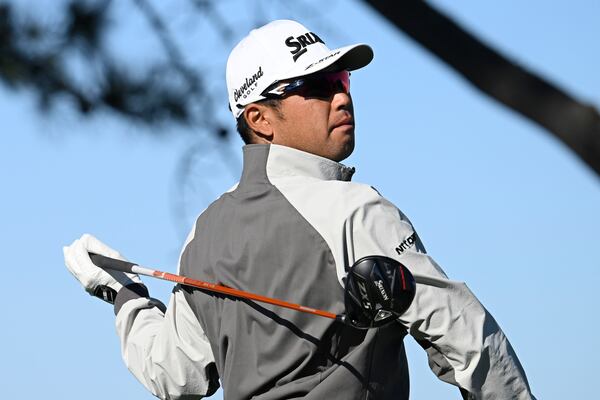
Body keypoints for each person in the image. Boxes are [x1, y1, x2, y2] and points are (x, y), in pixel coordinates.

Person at [64, 19, 536, 400]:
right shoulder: (356, 211)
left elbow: (173, 373)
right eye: (315, 86)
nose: (342, 96)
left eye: (342, 79)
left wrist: (123, 294)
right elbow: (468, 341)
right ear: (260, 118)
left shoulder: (203, 237)